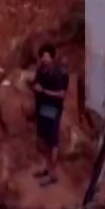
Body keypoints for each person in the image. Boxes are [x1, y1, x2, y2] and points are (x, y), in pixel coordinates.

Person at [31, 43, 68, 186]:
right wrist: (34, 87)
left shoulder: (57, 73)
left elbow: (62, 94)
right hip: (42, 109)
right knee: (45, 141)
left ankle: (53, 174)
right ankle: (47, 168)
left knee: (53, 143)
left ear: (52, 57)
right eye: (43, 56)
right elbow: (35, 83)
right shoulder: (41, 70)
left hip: (53, 110)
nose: (45, 58)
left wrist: (44, 91)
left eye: (47, 56)